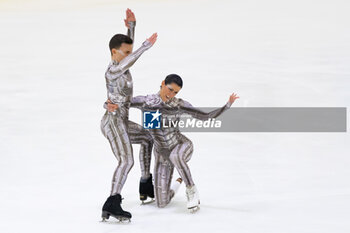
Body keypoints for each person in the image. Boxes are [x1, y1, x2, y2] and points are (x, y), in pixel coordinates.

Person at [105, 74, 239, 212]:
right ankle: (177, 183)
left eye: (175, 92)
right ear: (163, 83)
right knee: (161, 203)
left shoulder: (179, 105)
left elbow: (205, 116)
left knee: (176, 156)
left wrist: (227, 105)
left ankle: (191, 190)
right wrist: (109, 106)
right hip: (162, 153)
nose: (171, 94)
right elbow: (120, 103)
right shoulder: (146, 102)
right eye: (170, 89)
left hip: (180, 145)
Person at [100, 8, 157, 221]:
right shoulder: (112, 70)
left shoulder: (121, 63)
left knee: (147, 137)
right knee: (126, 161)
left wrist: (131, 26)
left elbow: (127, 52)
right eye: (125, 52)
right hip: (113, 123)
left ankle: (145, 184)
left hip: (121, 119)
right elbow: (130, 58)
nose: (129, 55)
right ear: (114, 53)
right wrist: (144, 47)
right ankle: (112, 202)